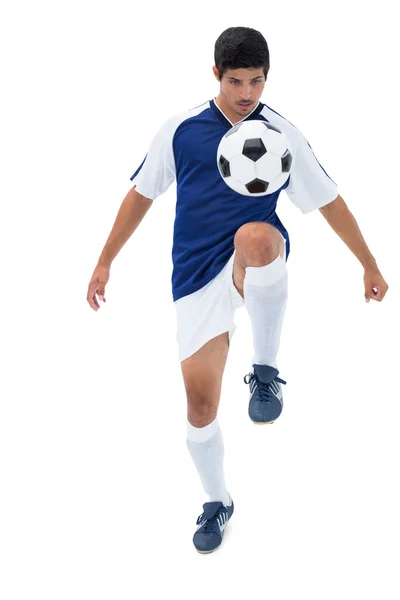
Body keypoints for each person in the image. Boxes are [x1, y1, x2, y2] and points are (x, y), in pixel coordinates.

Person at [87, 26, 389, 554]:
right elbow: (141, 195)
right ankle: (217, 501)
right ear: (215, 76)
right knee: (200, 405)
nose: (247, 93)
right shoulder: (181, 130)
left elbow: (328, 201)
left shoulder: (280, 134)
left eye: (256, 81)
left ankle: (266, 370)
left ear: (266, 77)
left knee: (255, 236)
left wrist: (368, 263)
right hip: (194, 273)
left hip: (254, 258)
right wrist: (105, 260)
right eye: (235, 81)